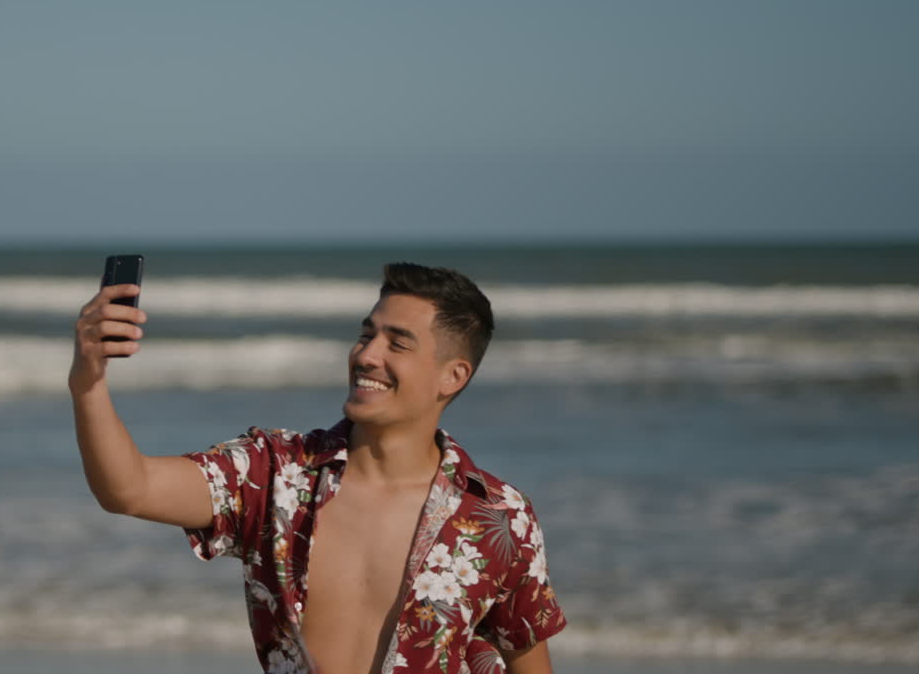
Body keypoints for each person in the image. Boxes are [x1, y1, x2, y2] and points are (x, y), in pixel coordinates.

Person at [69, 262, 566, 674]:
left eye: (398, 343)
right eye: (365, 334)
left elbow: (527, 660)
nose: (367, 355)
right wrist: (88, 383)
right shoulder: (275, 474)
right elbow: (128, 489)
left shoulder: (498, 517)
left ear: (452, 375)